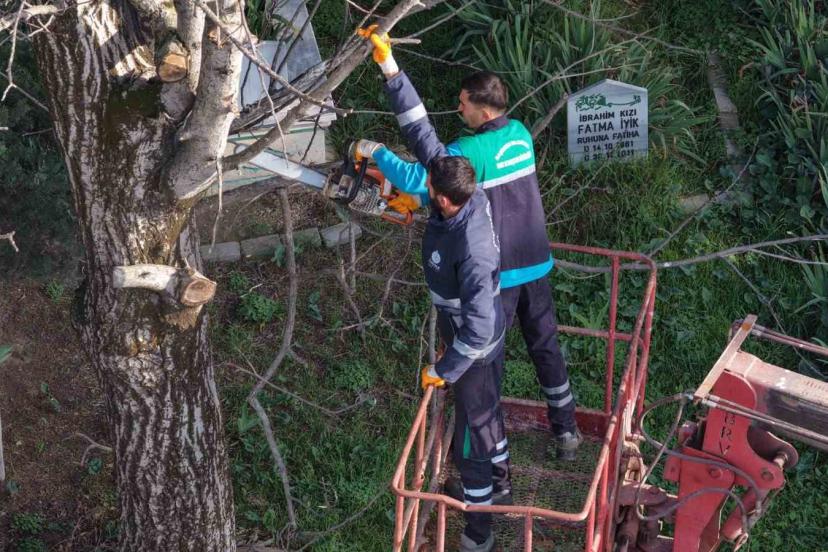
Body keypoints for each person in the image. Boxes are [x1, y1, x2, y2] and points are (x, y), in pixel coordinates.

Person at [357, 27, 582, 460]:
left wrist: (376, 150)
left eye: (462, 104)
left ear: (480, 110)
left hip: (498, 276)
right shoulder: (518, 134)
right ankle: (566, 430)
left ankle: (488, 454)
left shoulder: (468, 153)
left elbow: (417, 167)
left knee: (484, 366)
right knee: (545, 347)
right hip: (536, 264)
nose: (457, 108)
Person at [385, 152, 505, 552]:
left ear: (444, 198)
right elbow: (429, 146)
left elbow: (479, 328)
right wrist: (396, 84)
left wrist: (445, 369)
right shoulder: (471, 198)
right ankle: (500, 482)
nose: (425, 188)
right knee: (487, 418)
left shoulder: (471, 253)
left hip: (475, 352)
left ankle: (477, 534)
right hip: (477, 339)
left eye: (427, 189)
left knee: (472, 442)